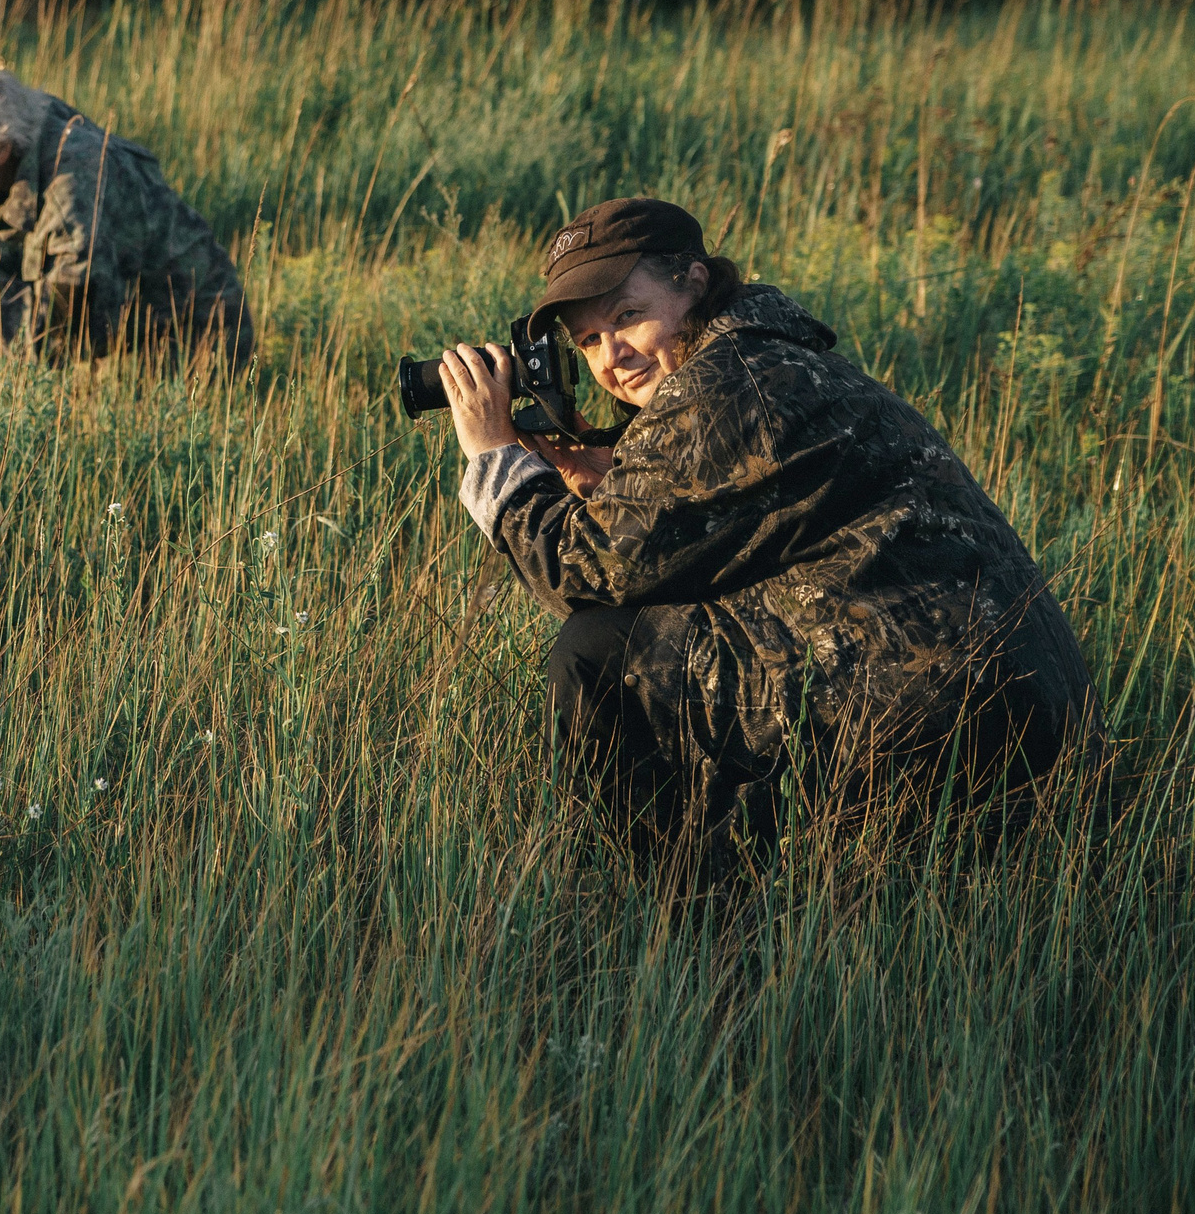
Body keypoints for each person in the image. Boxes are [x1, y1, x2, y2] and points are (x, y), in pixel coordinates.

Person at [436, 197, 1093, 872]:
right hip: (1027, 709)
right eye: (589, 340)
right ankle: (794, 885)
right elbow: (726, 539)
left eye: (628, 316)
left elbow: (584, 574)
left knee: (598, 653)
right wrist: (611, 479)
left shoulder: (725, 382)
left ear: (692, 280)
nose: (614, 357)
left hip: (939, 715)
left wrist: (496, 459)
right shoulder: (764, 359)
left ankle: (692, 921)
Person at [0, 51, 252, 365]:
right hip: (120, 342)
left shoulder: (73, 192)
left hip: (190, 351)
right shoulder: (19, 115)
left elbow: (51, 339)